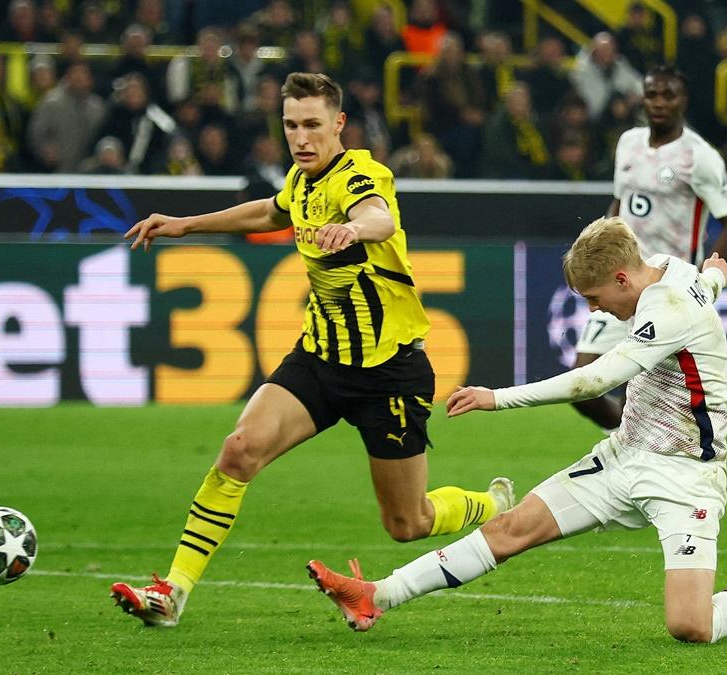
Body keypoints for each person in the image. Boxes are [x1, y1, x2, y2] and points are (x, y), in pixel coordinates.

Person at [109, 72, 515, 627]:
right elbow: (271, 212)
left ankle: (491, 505)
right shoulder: (301, 183)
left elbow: (380, 214)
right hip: (321, 358)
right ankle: (174, 592)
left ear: (339, 125)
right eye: (291, 125)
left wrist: (355, 230)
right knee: (238, 451)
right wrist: (185, 224)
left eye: (312, 125)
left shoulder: (362, 175)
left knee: (407, 523)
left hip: (387, 371)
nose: (301, 138)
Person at [307, 217, 727, 644]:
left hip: (686, 477)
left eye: (595, 297)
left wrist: (496, 397)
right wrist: (716, 274)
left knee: (689, 626)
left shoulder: (668, 308)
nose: (593, 310)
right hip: (623, 457)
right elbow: (704, 284)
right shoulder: (671, 268)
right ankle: (376, 595)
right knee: (508, 528)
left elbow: (595, 380)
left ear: (623, 278)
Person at [571, 65, 727, 431]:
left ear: (683, 101)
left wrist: (701, 282)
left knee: (646, 394)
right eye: (652, 94)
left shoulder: (698, 156)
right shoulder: (628, 143)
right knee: (583, 385)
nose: (659, 103)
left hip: (666, 292)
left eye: (669, 95)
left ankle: (631, 454)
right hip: (619, 286)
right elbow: (619, 206)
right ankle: (623, 437)